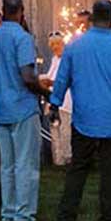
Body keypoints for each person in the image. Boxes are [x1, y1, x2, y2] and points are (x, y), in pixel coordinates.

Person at [48, 0, 111, 221]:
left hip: (84, 115)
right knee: (110, 169)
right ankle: (108, 219)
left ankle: (66, 218)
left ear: (91, 19)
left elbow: (62, 79)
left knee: (78, 168)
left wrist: (54, 104)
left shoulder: (75, 47)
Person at [0, 0, 43, 221]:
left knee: (6, 163)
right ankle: (24, 211)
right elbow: (28, 76)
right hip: (23, 104)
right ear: (21, 11)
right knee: (25, 161)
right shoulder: (23, 38)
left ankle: (7, 209)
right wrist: (44, 91)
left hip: (1, 104)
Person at [43, 32, 70, 166]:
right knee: (55, 129)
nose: (55, 47)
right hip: (53, 98)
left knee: (66, 129)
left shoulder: (67, 59)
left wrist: (50, 82)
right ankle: (58, 159)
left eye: (58, 44)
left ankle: (67, 157)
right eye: (52, 45)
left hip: (66, 100)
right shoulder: (54, 60)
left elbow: (65, 79)